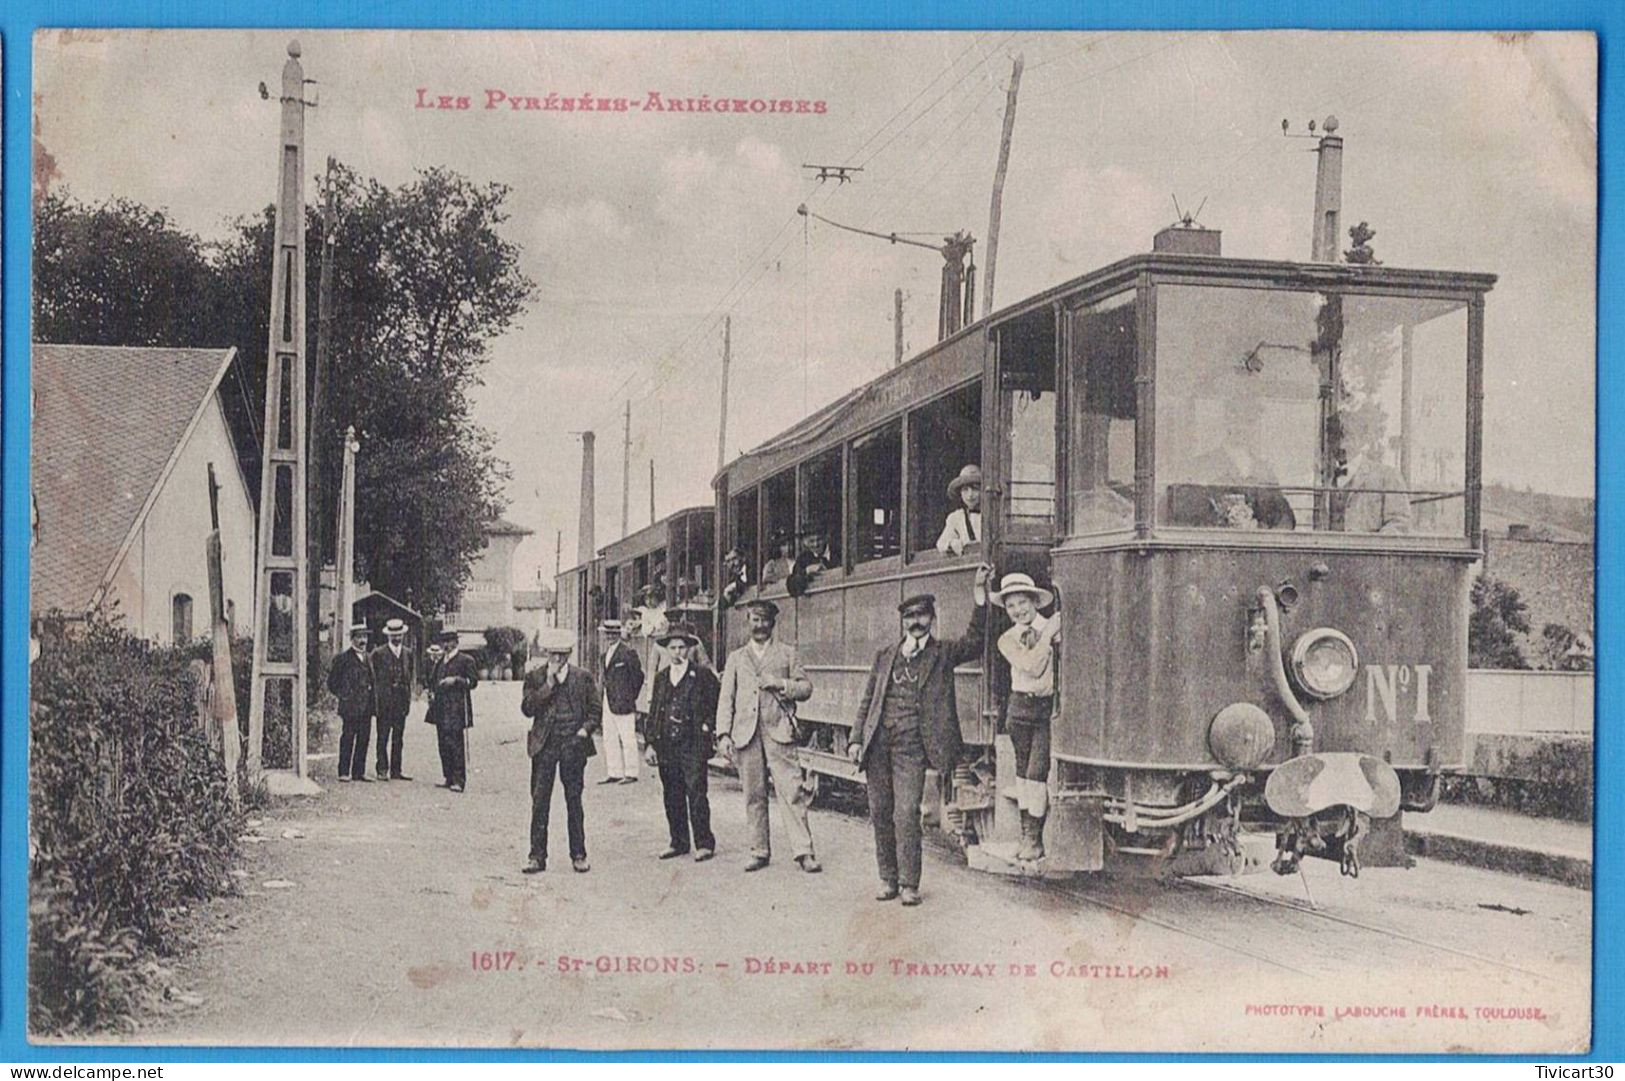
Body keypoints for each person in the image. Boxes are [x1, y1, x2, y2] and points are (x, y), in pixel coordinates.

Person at [847, 566, 992, 905]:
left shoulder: (942, 653)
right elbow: (869, 699)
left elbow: (974, 640)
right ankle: (888, 879)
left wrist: (980, 596)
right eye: (910, 617)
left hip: (912, 748)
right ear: (903, 622)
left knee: (906, 812)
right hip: (878, 745)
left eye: (922, 616)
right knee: (880, 811)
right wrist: (856, 738)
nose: (916, 622)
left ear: (932, 619)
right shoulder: (886, 655)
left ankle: (910, 884)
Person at [716, 599, 819, 873]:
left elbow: (806, 688)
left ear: (773, 624)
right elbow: (726, 698)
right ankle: (759, 850)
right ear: (747, 622)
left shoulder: (787, 653)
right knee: (753, 794)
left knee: (792, 791)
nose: (760, 625)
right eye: (755, 620)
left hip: (779, 732)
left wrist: (782, 684)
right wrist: (723, 734)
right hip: (745, 734)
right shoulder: (736, 658)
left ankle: (803, 851)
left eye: (765, 620)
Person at [521, 628, 602, 874]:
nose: (556, 660)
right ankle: (536, 856)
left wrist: (585, 731)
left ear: (568, 654)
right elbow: (527, 708)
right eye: (552, 655)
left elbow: (595, 711)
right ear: (546, 653)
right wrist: (548, 684)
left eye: (561, 655)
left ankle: (578, 854)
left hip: (573, 745)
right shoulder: (535, 677)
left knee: (574, 800)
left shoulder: (583, 677)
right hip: (544, 745)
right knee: (540, 800)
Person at [992, 573, 1061, 861]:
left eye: (1022, 603)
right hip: (1018, 709)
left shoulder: (1053, 627)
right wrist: (1047, 637)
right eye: (1011, 606)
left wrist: (1048, 633)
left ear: (1034, 601)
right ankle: (1027, 837)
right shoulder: (1007, 639)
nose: (1018, 610)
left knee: (1036, 775)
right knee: (1022, 776)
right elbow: (1031, 666)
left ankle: (1035, 840)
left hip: (1045, 709)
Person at [643, 622, 720, 862]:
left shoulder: (702, 675)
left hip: (693, 743)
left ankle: (704, 843)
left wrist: (708, 726)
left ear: (689, 649)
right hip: (667, 744)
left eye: (682, 647)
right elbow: (655, 711)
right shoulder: (662, 677)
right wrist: (650, 743)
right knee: (672, 793)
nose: (677, 652)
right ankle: (678, 841)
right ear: (666, 650)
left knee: (696, 791)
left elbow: (716, 703)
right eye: (673, 648)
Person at [598, 620, 645, 785]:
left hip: (623, 701)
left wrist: (630, 696)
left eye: (613, 633)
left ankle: (631, 772)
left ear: (619, 634)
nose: (610, 636)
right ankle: (614, 772)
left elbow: (638, 677)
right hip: (608, 700)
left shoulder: (628, 653)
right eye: (607, 633)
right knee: (609, 737)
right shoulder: (604, 655)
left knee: (627, 737)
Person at [327, 623, 376, 782]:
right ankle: (344, 771)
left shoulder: (368, 657)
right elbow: (332, 682)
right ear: (352, 639)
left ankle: (359, 772)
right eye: (359, 637)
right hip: (350, 706)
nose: (363, 640)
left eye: (365, 637)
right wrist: (345, 696)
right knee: (348, 738)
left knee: (364, 738)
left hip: (366, 706)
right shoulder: (343, 659)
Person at [431, 629, 478, 792]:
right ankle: (448, 776)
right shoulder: (440, 661)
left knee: (456, 744)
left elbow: (473, 682)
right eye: (443, 641)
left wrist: (455, 680)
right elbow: (433, 680)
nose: (445, 645)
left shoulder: (466, 660)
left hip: (457, 708)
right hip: (441, 708)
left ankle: (459, 780)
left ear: (455, 643)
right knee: (443, 743)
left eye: (449, 641)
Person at [370, 618, 414, 781]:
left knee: (398, 738)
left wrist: (408, 697)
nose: (397, 639)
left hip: (401, 701)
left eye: (399, 635)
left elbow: (409, 676)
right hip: (384, 702)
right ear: (388, 636)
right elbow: (373, 677)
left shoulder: (408, 653)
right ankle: (382, 768)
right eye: (394, 636)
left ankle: (397, 770)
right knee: (382, 737)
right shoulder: (378, 653)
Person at [936, 464, 984, 556]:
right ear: (960, 493)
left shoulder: (994, 514)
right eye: (965, 490)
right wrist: (952, 542)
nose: (970, 495)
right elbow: (941, 543)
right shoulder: (956, 518)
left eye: (975, 489)